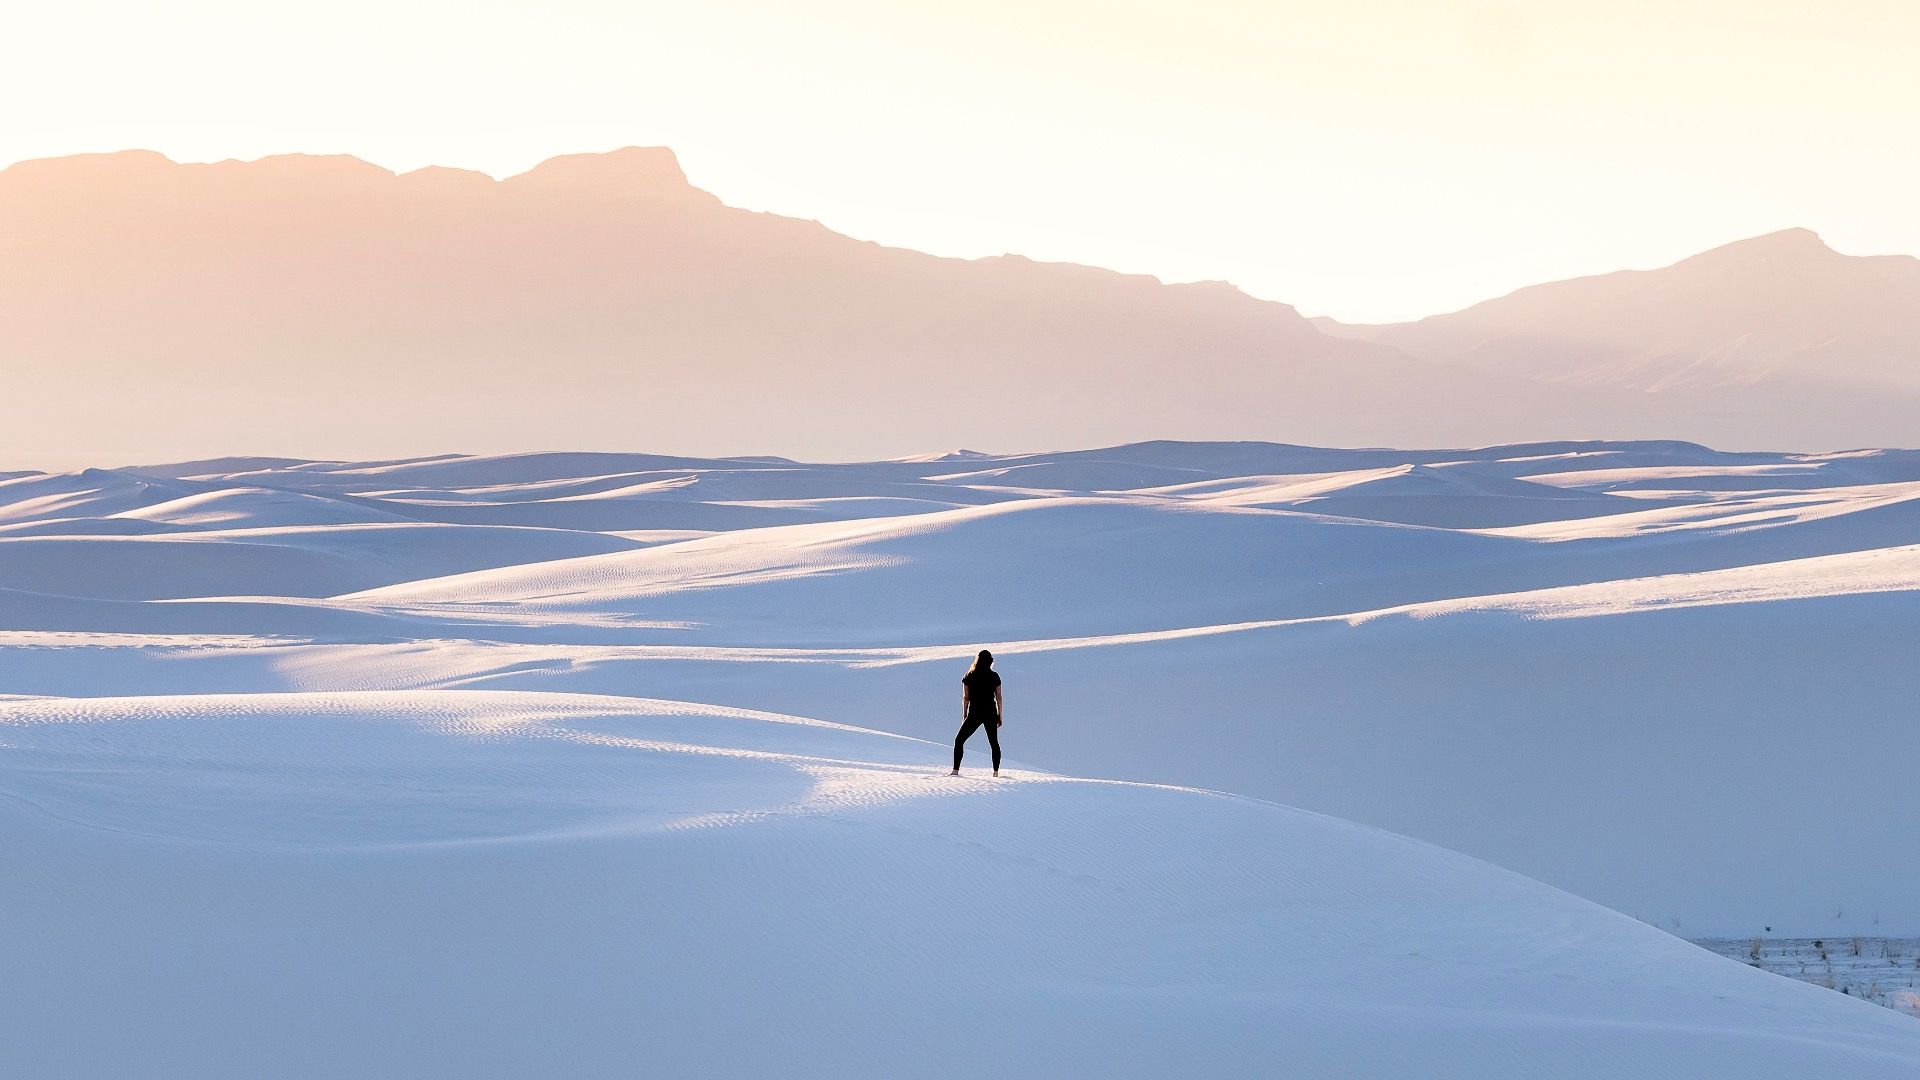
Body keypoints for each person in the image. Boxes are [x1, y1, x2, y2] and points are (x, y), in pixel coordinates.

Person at [951, 649, 1003, 777]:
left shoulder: (969, 676)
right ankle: (995, 772)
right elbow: (999, 697)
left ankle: (955, 770)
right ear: (990, 661)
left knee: (959, 740)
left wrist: (964, 715)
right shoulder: (994, 676)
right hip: (990, 711)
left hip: (975, 712)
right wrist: (1000, 715)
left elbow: (965, 698)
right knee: (994, 742)